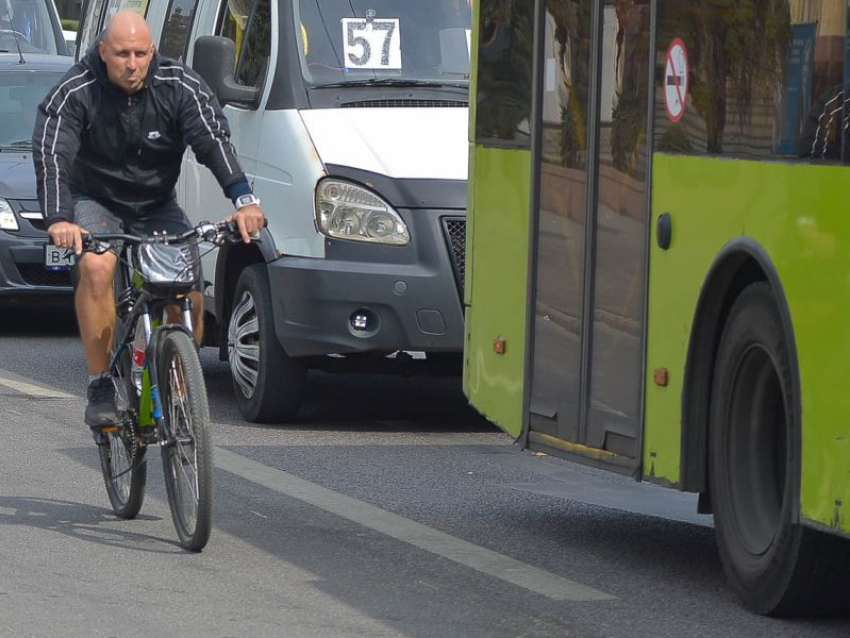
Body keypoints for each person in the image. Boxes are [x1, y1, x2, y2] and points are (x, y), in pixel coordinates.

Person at [32, 10, 265, 431]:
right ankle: (101, 383)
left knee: (187, 286)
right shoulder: (76, 90)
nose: (132, 63)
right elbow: (52, 154)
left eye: (141, 53)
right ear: (103, 51)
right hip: (95, 202)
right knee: (97, 266)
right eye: (122, 53)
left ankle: (179, 377)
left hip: (156, 204)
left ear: (152, 50)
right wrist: (58, 217)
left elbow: (213, 140)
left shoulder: (180, 84)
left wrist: (244, 200)